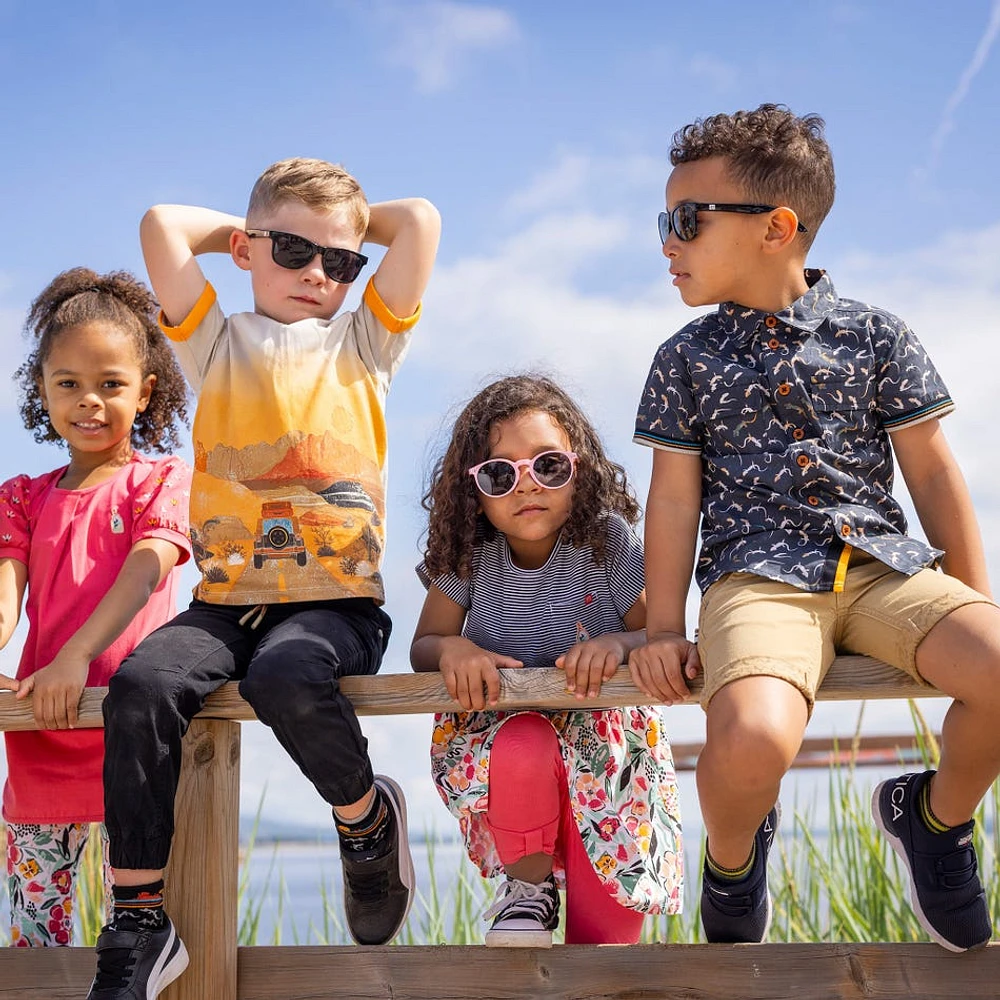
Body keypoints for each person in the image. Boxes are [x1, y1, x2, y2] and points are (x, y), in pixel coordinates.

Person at [631, 103, 1000, 952]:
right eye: (665, 221)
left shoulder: (878, 334)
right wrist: (661, 626)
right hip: (756, 581)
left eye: (685, 220)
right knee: (754, 737)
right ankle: (733, 858)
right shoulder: (682, 359)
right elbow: (674, 500)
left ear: (777, 228)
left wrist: (972, 610)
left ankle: (934, 822)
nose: (667, 242)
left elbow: (934, 474)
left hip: (884, 568)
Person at [85, 158, 440, 999]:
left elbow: (419, 219)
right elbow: (162, 225)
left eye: (341, 262)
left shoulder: (366, 341)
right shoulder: (215, 341)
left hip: (334, 604)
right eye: (292, 251)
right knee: (139, 686)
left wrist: (342, 224)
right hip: (225, 604)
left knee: (286, 676)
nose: (318, 274)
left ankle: (365, 823)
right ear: (245, 250)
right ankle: (139, 916)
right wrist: (256, 236)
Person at [411, 374, 683, 948]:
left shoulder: (608, 541)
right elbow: (425, 645)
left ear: (578, 469)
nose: (525, 486)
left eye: (548, 466)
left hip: (610, 765)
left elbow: (656, 636)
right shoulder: (468, 555)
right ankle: (527, 890)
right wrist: (455, 649)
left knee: (604, 957)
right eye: (499, 473)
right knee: (526, 737)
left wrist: (615, 646)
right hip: (507, 754)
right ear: (473, 491)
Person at [0, 268, 191, 947]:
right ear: (42, 390)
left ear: (144, 391)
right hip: (40, 726)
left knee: (135, 937)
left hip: (133, 739)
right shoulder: (22, 495)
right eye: (68, 384)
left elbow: (143, 578)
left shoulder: (161, 481)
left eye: (110, 384)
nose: (90, 402)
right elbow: (5, 595)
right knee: (35, 935)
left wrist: (76, 656)